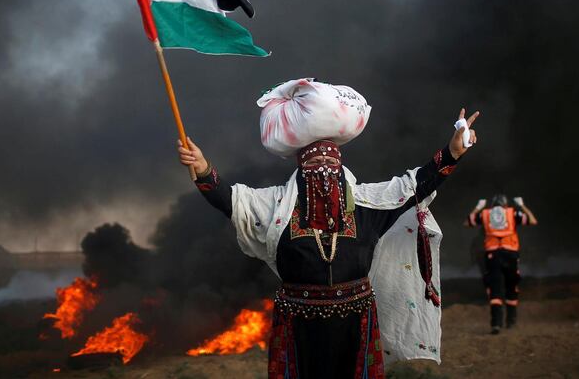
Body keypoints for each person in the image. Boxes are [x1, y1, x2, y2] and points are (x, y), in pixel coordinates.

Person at [178, 80, 478, 379]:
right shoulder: (276, 205)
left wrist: (452, 153)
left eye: (330, 161)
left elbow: (415, 185)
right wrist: (203, 168)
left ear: (342, 168)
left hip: (356, 320)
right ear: (300, 168)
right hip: (299, 322)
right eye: (314, 161)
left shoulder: (368, 205)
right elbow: (229, 200)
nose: (323, 168)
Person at [464, 194, 538, 334]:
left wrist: (478, 208)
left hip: (493, 255)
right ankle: (511, 321)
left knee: (495, 289)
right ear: (505, 204)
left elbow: (467, 222)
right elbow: (532, 221)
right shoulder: (513, 213)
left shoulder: (485, 214)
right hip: (510, 254)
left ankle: (496, 324)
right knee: (511, 287)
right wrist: (522, 206)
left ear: (492, 205)